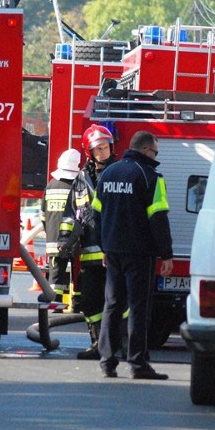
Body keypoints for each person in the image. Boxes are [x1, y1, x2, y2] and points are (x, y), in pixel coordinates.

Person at [92, 130, 173, 380]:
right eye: (155, 152)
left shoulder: (108, 174)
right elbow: (158, 219)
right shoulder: (150, 177)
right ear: (146, 150)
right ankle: (138, 364)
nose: (156, 157)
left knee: (112, 305)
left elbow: (96, 214)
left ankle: (107, 361)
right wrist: (166, 254)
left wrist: (104, 247)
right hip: (140, 253)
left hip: (113, 251)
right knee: (138, 307)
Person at [59, 125, 117, 359]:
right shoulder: (81, 179)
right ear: (89, 152)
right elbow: (70, 213)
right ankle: (97, 344)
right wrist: (64, 240)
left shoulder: (118, 173)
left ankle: (116, 344)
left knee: (116, 303)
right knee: (89, 301)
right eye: (97, 149)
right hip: (89, 255)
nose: (102, 152)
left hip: (114, 253)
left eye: (105, 147)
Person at [41, 149, 82, 308]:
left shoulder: (50, 185)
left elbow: (43, 215)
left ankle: (55, 303)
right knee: (77, 271)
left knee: (56, 274)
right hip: (74, 239)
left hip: (53, 240)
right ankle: (76, 303)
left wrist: (50, 234)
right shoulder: (77, 187)